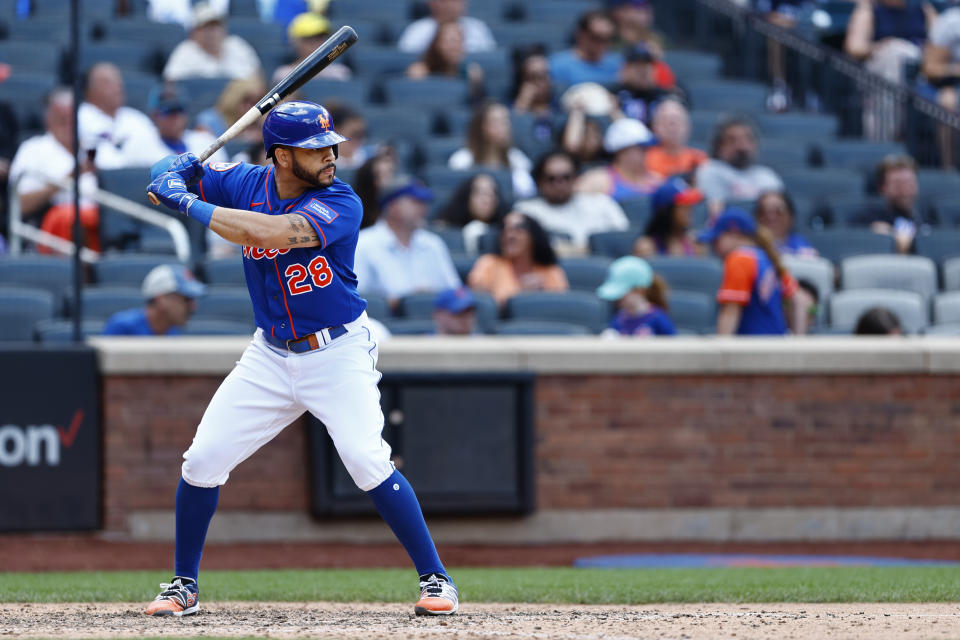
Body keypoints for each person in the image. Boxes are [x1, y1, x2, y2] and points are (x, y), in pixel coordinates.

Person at [144, 102, 458, 616]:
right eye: (316, 149)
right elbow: (168, 173)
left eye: (331, 146)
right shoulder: (246, 181)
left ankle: (436, 579)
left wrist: (186, 203)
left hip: (336, 351)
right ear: (282, 156)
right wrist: (174, 170)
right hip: (269, 354)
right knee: (202, 461)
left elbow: (265, 234)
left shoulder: (342, 200)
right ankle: (183, 585)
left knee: (366, 459)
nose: (330, 155)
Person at [9, 88, 100, 251]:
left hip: (103, 219)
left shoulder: (95, 146)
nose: (68, 125)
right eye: (62, 119)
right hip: (59, 225)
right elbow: (19, 204)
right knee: (67, 218)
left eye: (72, 119)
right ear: (48, 118)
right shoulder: (33, 149)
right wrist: (66, 180)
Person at [698, 207, 812, 336]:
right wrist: (797, 344)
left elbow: (730, 314)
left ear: (733, 234)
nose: (714, 247)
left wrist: (719, 352)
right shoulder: (765, 257)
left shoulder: (740, 259)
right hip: (774, 346)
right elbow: (802, 300)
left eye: (716, 240)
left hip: (753, 349)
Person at [354, 175, 462, 308]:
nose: (424, 208)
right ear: (393, 206)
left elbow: (455, 292)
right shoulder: (363, 244)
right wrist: (400, 302)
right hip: (384, 326)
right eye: (416, 202)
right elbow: (355, 298)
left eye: (424, 203)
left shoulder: (433, 244)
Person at [844, 0, 936, 140]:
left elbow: (942, 41)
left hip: (919, 66)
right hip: (880, 70)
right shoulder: (869, 8)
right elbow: (855, 48)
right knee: (897, 54)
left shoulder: (923, 7)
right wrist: (882, 46)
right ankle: (885, 138)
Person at [514, 149, 629, 254]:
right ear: (539, 182)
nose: (559, 184)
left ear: (576, 178)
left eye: (566, 177)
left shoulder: (602, 203)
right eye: (551, 179)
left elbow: (623, 239)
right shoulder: (526, 211)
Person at [467, 211, 569, 308]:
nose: (509, 235)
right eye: (504, 229)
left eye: (518, 229)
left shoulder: (551, 271)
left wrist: (543, 292)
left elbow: (560, 309)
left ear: (534, 236)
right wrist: (520, 294)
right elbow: (481, 308)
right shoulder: (487, 264)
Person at [79, 62, 169, 169]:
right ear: (89, 90)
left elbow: (159, 155)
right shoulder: (78, 118)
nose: (118, 86)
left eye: (118, 81)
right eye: (107, 82)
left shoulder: (136, 118)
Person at [695, 117, 784, 214]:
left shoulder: (768, 176)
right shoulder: (710, 170)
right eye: (732, 140)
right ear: (719, 146)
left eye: (748, 139)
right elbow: (716, 213)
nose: (741, 146)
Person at [448, 101, 535, 199]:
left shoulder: (518, 160)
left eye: (506, 121)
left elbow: (526, 195)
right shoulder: (461, 160)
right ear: (481, 126)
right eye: (498, 121)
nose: (505, 127)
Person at [853, 154, 937, 254]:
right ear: (883, 188)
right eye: (898, 185)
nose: (905, 191)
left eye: (910, 184)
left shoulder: (928, 217)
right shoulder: (869, 217)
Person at [162, 3, 262, 81]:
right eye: (206, 27)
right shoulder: (185, 51)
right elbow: (171, 84)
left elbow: (258, 79)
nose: (212, 33)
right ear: (193, 32)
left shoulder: (237, 45)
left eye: (216, 26)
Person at [102, 264, 205, 336]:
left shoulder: (172, 329)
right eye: (186, 299)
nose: (193, 307)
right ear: (162, 300)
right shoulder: (123, 327)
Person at [576, 117, 663, 201]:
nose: (645, 153)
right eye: (641, 148)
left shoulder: (656, 180)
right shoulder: (598, 181)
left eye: (646, 148)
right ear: (621, 152)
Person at [596, 255, 676, 336]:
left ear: (639, 290)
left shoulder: (659, 319)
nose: (617, 298)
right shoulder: (618, 320)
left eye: (622, 293)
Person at [406, 21, 484, 101]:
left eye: (458, 41)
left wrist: (476, 83)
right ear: (437, 44)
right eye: (449, 41)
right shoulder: (420, 71)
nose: (453, 47)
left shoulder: (471, 73)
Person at [148, 84, 228, 162]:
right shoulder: (143, 143)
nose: (175, 117)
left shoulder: (206, 141)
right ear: (154, 115)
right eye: (168, 111)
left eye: (179, 110)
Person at [922, 5, 960, 168]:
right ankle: (949, 167)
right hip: (952, 84)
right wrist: (955, 69)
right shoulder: (951, 21)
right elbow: (930, 68)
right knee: (948, 101)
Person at [434, 172, 508, 254]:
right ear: (466, 196)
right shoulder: (444, 227)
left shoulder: (507, 230)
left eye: (492, 194)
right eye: (480, 193)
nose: (486, 200)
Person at [549, 10, 623, 89]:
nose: (601, 43)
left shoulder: (619, 64)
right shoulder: (557, 65)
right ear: (580, 34)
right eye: (596, 37)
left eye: (607, 38)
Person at [272, 12, 352, 85]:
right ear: (296, 43)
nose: (317, 44)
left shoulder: (340, 74)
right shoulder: (283, 75)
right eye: (309, 39)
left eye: (320, 38)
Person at [634, 177, 705, 257]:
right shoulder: (647, 248)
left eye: (690, 206)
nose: (690, 211)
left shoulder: (695, 245)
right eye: (684, 206)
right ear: (667, 211)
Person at [397, 0, 496, 55]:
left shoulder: (478, 28)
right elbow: (405, 62)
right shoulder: (416, 30)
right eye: (445, 1)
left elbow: (490, 61)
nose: (454, 4)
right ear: (433, 3)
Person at [644, 98, 708, 178]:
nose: (671, 127)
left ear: (688, 126)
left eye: (677, 120)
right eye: (665, 121)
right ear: (654, 128)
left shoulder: (700, 160)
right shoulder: (644, 161)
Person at [195, 76, 267, 144]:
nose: (252, 108)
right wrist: (240, 139)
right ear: (234, 99)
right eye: (247, 101)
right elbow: (203, 148)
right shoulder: (209, 120)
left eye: (258, 102)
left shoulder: (264, 124)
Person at [612, 44, 671, 125]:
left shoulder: (664, 96)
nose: (643, 70)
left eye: (647, 65)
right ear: (626, 69)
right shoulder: (613, 93)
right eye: (638, 65)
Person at [753, 190, 817, 257]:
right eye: (763, 211)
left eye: (779, 211)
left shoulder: (802, 247)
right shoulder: (748, 246)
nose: (771, 217)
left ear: (791, 216)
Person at [352, 145, 399, 230]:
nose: (390, 180)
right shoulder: (355, 212)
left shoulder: (397, 206)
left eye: (391, 173)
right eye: (384, 176)